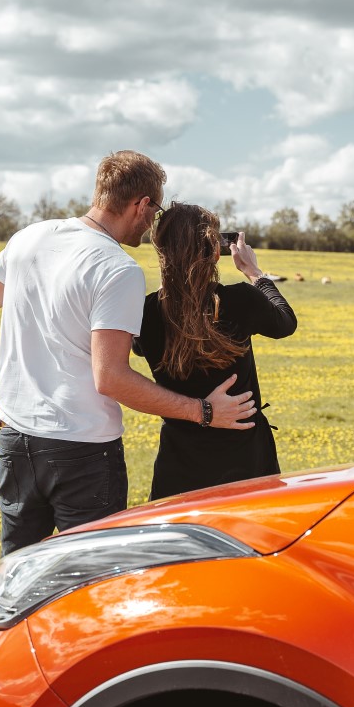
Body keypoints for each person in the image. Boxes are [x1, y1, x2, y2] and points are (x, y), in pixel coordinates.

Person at [0, 151, 256, 555]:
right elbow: (111, 378)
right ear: (141, 204)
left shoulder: (29, 237)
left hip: (16, 439)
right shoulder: (117, 268)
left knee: (20, 570)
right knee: (95, 574)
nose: (152, 223)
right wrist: (203, 411)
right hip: (81, 449)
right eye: (155, 211)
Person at [133, 202, 297, 499]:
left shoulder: (146, 312)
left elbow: (139, 347)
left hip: (179, 464)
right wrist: (254, 272)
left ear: (161, 251)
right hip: (245, 461)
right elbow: (286, 322)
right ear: (214, 251)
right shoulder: (241, 300)